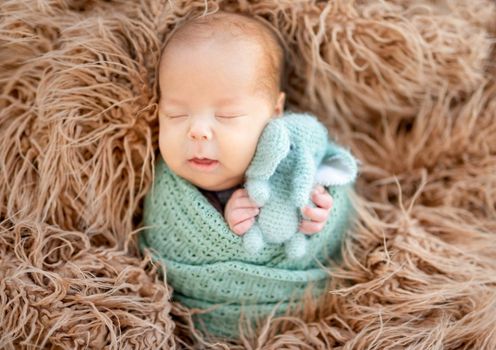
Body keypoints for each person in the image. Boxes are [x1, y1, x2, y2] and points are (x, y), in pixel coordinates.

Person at [157, 11, 333, 237]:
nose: (198, 132)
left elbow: (333, 174)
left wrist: (317, 213)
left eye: (226, 116)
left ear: (275, 112)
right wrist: (224, 216)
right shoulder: (165, 191)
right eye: (176, 114)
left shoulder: (296, 157)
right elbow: (163, 240)